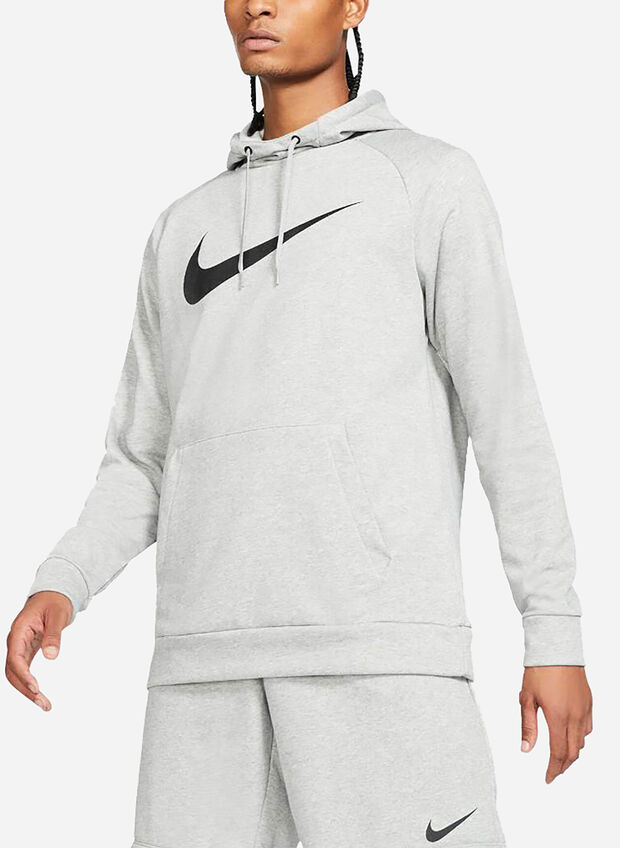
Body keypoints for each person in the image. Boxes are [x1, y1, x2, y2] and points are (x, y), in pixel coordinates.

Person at [6, 1, 593, 845]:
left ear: (354, 4)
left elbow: (507, 418)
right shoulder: (183, 227)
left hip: (381, 661)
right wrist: (63, 582)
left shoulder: (428, 182)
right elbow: (142, 458)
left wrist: (553, 630)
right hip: (202, 677)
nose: (259, 3)